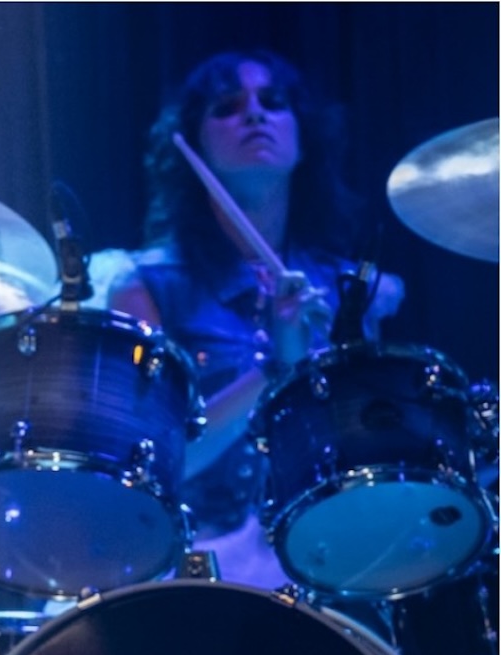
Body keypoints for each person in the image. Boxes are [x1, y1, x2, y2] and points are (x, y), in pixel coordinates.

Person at [106, 49, 403, 590]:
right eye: (227, 106)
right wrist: (274, 368)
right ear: (193, 143)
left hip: (322, 567)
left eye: (274, 101)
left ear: (304, 139)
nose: (255, 114)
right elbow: (158, 466)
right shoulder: (144, 284)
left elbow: (362, 464)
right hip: (191, 571)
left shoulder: (350, 291)